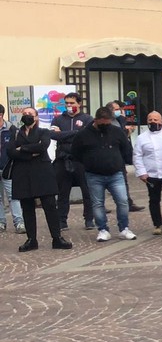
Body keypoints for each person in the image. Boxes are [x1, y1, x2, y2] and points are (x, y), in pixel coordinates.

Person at [5, 107, 71, 251]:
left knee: (50, 205)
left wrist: (21, 149)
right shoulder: (15, 133)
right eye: (24, 114)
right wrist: (30, 152)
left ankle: (57, 238)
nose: (27, 116)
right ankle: (31, 240)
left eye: (30, 114)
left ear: (36, 117)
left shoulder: (43, 132)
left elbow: (42, 147)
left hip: (42, 172)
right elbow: (10, 151)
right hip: (22, 174)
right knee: (27, 207)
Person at [72, 106, 135, 242]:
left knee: (123, 201)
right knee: (97, 203)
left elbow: (126, 149)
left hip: (115, 173)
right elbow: (76, 153)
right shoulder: (83, 134)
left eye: (108, 123)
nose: (106, 126)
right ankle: (103, 229)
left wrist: (120, 162)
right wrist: (88, 164)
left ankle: (124, 228)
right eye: (103, 124)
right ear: (96, 120)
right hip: (94, 175)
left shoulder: (117, 132)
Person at [52, 91, 94, 231]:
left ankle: (89, 219)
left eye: (72, 103)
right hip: (63, 159)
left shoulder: (88, 119)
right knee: (63, 192)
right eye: (67, 103)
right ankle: (61, 220)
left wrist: (64, 135)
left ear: (79, 103)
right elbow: (54, 136)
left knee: (87, 191)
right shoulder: (58, 119)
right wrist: (76, 133)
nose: (69, 106)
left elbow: (86, 136)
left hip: (82, 160)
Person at [0, 105, 25, 235]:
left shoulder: (11, 129)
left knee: (13, 196)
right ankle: (1, 222)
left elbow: (18, 147)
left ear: (1, 115)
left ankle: (19, 222)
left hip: (7, 167)